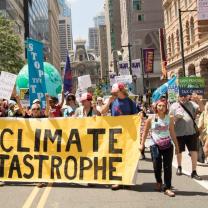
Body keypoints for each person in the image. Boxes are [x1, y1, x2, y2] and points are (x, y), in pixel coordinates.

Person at [101, 82, 138, 190]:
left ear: (121, 91)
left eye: (115, 92)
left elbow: (135, 117)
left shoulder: (130, 102)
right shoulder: (113, 102)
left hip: (127, 135)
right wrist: (108, 102)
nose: (113, 93)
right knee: (116, 158)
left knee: (127, 158)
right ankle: (117, 181)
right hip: (116, 133)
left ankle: (127, 180)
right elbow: (102, 112)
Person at [140, 99, 179, 197]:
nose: (161, 108)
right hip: (154, 144)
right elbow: (145, 132)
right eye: (159, 106)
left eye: (163, 106)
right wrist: (142, 144)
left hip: (167, 145)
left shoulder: (169, 118)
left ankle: (167, 187)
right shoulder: (151, 119)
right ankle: (158, 182)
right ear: (156, 107)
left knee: (167, 167)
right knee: (156, 165)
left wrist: (177, 147)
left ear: (166, 107)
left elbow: (173, 133)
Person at [169, 94, 204, 180]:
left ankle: (194, 171)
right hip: (178, 133)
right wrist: (176, 118)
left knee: (194, 151)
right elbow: (169, 120)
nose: (183, 97)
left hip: (191, 132)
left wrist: (198, 101)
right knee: (179, 151)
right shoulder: (174, 106)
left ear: (188, 96)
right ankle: (179, 166)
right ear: (178, 97)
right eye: (181, 96)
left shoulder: (192, 103)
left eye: (185, 96)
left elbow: (202, 110)